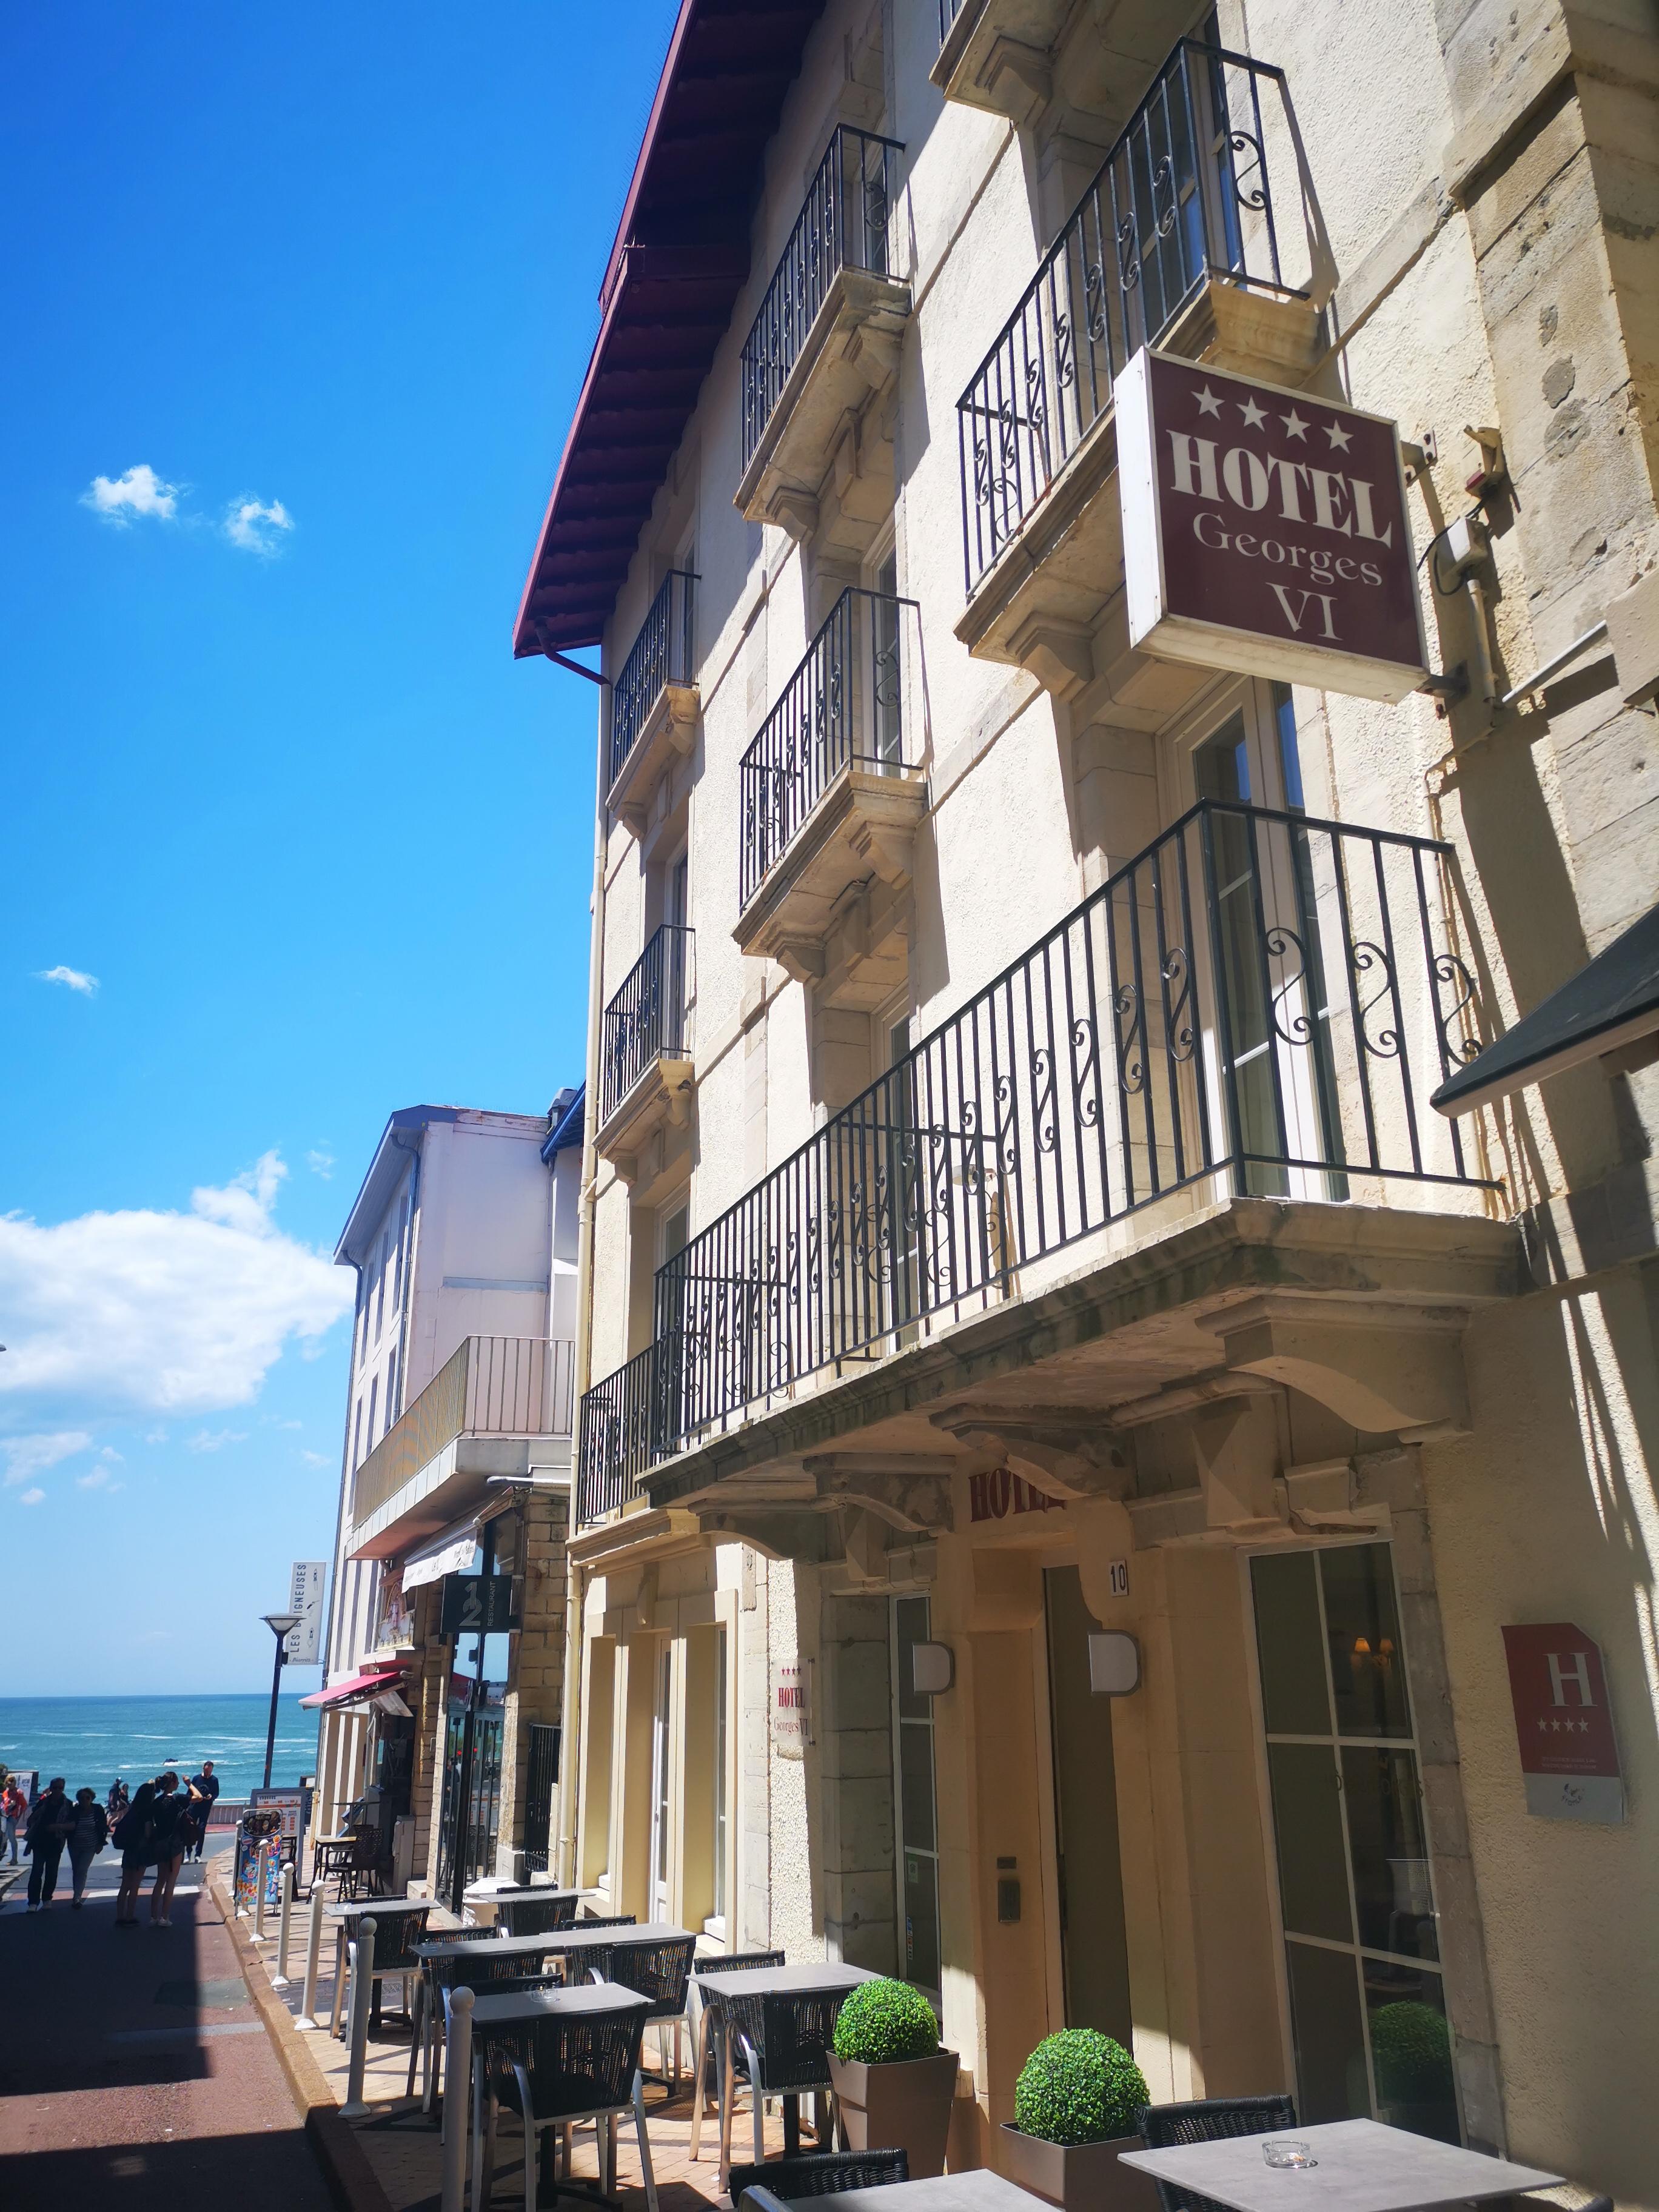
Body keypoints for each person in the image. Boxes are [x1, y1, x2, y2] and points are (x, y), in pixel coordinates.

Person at [147, 1771, 190, 1926]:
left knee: (160, 1881)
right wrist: (189, 1784)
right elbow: (199, 1797)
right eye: (177, 1781)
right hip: (175, 1843)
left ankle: (153, 1917)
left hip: (159, 1842)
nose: (178, 1784)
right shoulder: (178, 1799)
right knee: (171, 1881)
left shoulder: (157, 1802)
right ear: (173, 1783)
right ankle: (165, 1917)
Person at [112, 1781, 156, 1928]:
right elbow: (148, 1833)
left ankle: (120, 1916)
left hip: (129, 1850)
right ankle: (130, 1915)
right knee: (135, 1886)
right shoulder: (147, 1813)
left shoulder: (132, 1809)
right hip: (140, 1851)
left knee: (125, 1885)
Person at [25, 1777, 73, 1910]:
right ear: (51, 1789)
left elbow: (72, 1824)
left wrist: (58, 1827)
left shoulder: (67, 1804)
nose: (58, 1790)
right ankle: (33, 1902)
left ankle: (47, 1898)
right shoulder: (43, 1803)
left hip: (56, 1843)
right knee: (36, 1872)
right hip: (39, 1841)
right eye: (55, 1788)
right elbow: (31, 1821)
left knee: (52, 1873)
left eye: (60, 1788)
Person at [65, 1788, 109, 1907]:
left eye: (87, 1798)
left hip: (90, 1845)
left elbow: (103, 1827)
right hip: (75, 1845)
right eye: (82, 1798)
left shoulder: (98, 1810)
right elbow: (69, 1826)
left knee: (82, 1870)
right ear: (78, 1800)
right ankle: (76, 1894)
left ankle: (77, 1897)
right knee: (76, 1870)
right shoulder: (75, 1811)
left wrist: (101, 1843)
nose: (85, 1800)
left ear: (92, 1799)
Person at [186, 1759, 220, 1860]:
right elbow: (189, 1792)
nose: (208, 1773)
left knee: (201, 1829)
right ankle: (188, 1853)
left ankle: (198, 1854)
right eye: (206, 1771)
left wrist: (211, 1797)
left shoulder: (214, 1780)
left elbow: (216, 1793)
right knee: (190, 1829)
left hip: (205, 1808)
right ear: (203, 1769)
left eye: (209, 1771)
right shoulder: (196, 1778)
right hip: (194, 1808)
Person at [1, 1775, 25, 1866]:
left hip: (12, 1817)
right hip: (4, 1816)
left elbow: (24, 1805)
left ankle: (14, 1859)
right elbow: (3, 1804)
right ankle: (3, 1855)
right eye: (8, 1782)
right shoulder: (6, 1793)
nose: (10, 1784)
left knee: (11, 1838)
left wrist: (19, 1816)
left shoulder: (19, 1793)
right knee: (4, 1837)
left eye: (12, 1782)